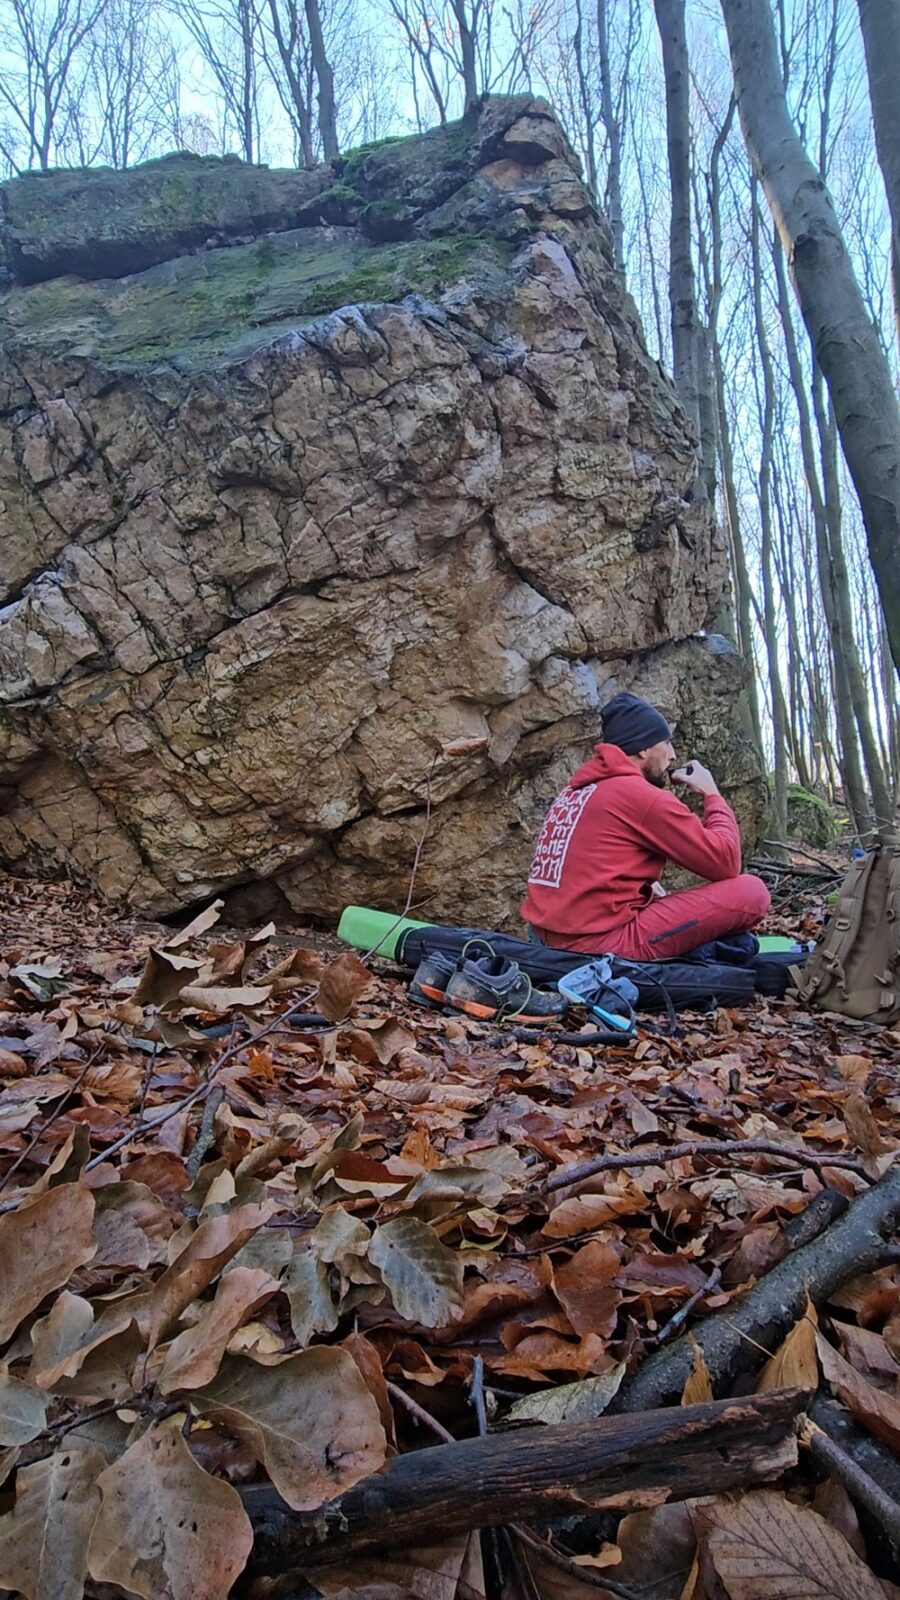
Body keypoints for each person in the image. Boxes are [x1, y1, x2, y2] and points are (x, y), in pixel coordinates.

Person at [520, 692, 770, 960]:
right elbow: (725, 860)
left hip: (543, 937)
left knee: (659, 894)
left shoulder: (574, 792)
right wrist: (712, 794)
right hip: (597, 945)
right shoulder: (638, 795)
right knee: (751, 892)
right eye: (666, 743)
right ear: (643, 748)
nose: (672, 755)